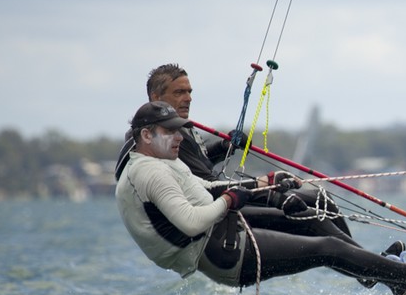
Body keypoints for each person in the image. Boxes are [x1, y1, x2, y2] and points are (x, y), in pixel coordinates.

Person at [116, 101, 406, 295]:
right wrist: (232, 198)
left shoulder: (159, 163)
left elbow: (201, 188)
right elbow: (193, 221)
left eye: (180, 129)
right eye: (170, 131)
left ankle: (393, 275)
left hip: (222, 242)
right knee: (329, 247)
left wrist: (261, 183)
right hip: (221, 254)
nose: (179, 136)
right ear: (146, 135)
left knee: (316, 220)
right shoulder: (150, 173)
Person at [115, 63, 355, 240]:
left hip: (225, 195)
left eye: (189, 92)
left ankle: (364, 259)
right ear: (155, 97)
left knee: (321, 197)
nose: (188, 98)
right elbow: (201, 184)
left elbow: (200, 162)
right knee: (314, 211)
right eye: (179, 93)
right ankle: (367, 266)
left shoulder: (178, 130)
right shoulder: (158, 138)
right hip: (220, 206)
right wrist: (262, 184)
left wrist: (226, 146)